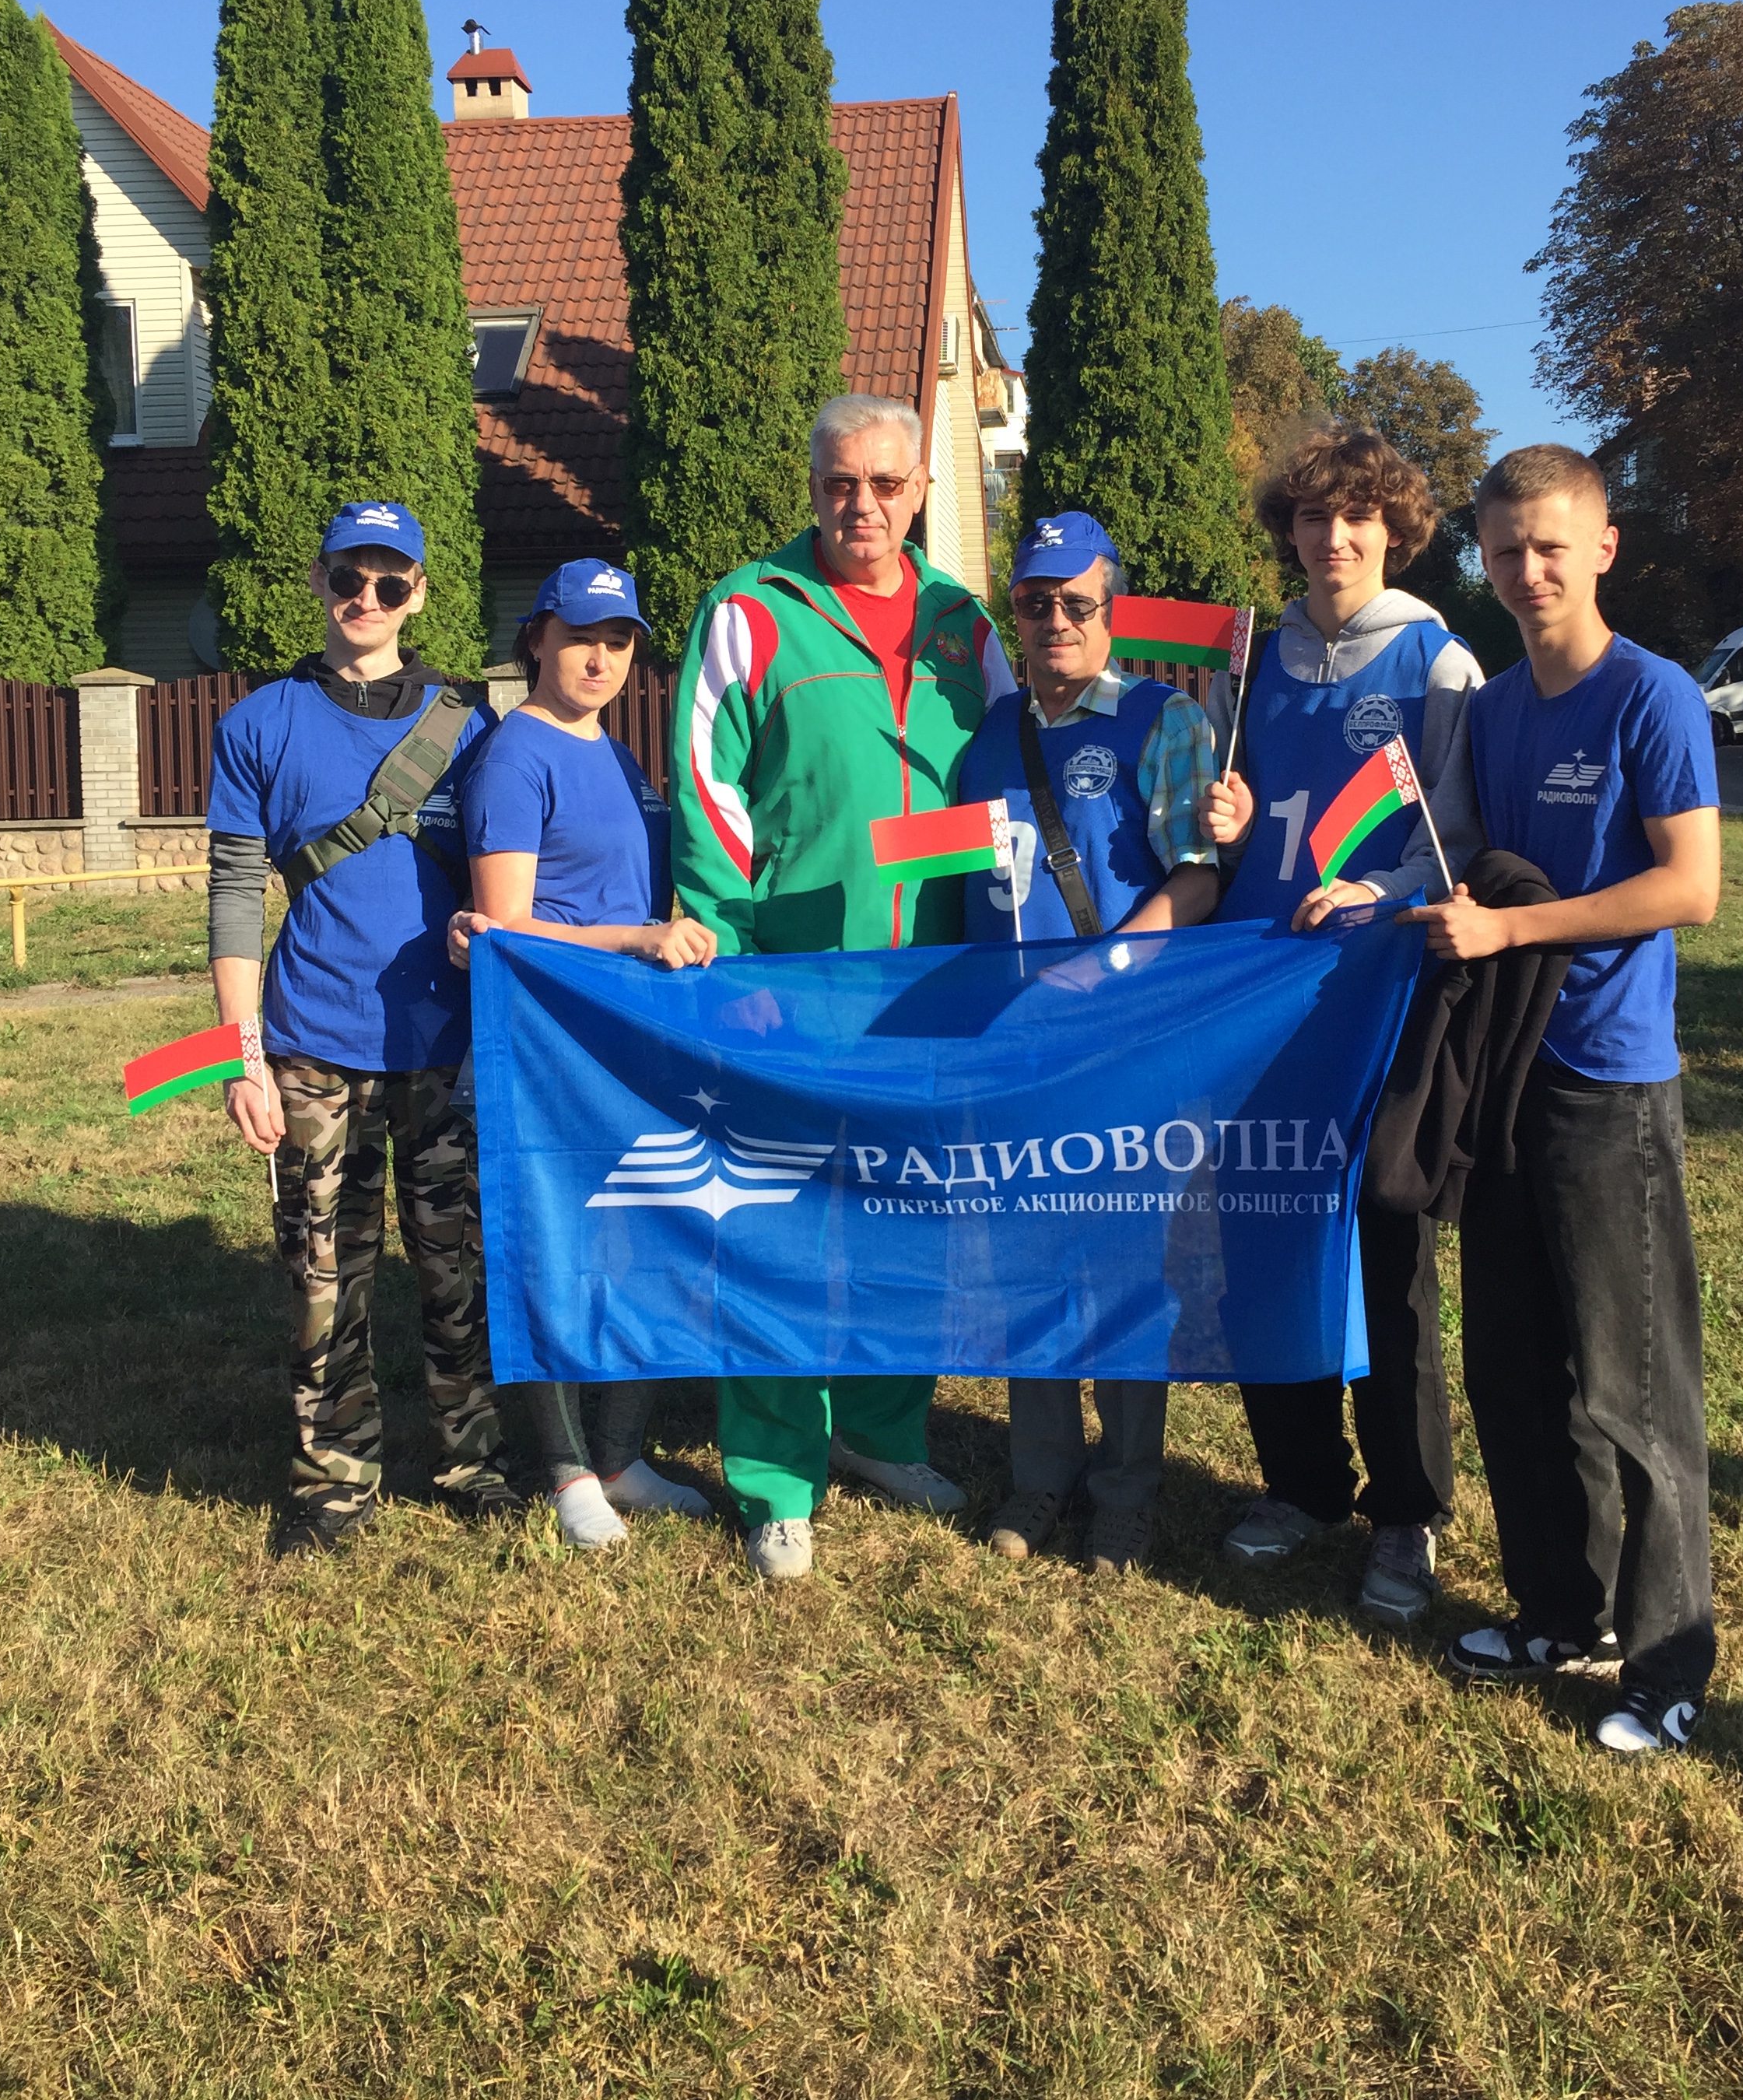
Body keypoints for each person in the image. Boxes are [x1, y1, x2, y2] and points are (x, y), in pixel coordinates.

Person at [1406, 443, 1720, 1757]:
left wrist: (1513, 929)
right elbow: (1475, 861)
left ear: (1601, 546)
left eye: (1547, 545)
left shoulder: (1652, 694)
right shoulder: (1490, 711)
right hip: (1506, 1070)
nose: (1526, 570)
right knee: (1513, 1367)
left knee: (1631, 1386)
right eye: (1502, 549)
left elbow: (1690, 885)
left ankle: (1667, 1662)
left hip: (1607, 1080)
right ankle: (1559, 1611)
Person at [671, 393, 1016, 1581]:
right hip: (791, 982)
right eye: (839, 484)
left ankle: (880, 1430)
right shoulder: (750, 610)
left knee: (907, 1219)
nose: (860, 505)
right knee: (779, 1229)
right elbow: (708, 789)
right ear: (813, 487)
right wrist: (734, 955)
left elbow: (1017, 768)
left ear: (920, 490)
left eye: (884, 484)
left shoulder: (967, 624)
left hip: (934, 985)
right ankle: (776, 1479)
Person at [1199, 426, 1482, 1625]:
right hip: (1260, 995)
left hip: (1375, 996)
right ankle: (1301, 1484)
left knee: (1384, 1251)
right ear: (1292, 531)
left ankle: (1406, 1511)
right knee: (1266, 1236)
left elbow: (1461, 838)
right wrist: (1223, 826)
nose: (1335, 538)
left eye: (1359, 516)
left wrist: (1383, 887)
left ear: (1395, 531)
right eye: (1315, 517)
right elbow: (1231, 824)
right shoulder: (1253, 657)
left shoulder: (1438, 661)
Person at [207, 501, 516, 1558]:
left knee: (456, 1265)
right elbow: (234, 895)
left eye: (390, 582)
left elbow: (518, 879)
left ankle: (473, 1461)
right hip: (310, 1045)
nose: (367, 599)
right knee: (323, 1274)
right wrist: (241, 1057)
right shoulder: (260, 723)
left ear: (419, 593)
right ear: (320, 580)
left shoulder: (473, 728)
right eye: (350, 577)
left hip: (449, 1045)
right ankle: (333, 1480)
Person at [957, 510, 1220, 1579]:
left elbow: (1198, 878)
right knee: (1027, 1263)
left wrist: (1103, 970)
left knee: (1123, 1268)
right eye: (1035, 601)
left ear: (1111, 608)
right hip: (1010, 1046)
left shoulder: (1165, 719)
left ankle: (1126, 1490)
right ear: (1014, 614)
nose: (1055, 619)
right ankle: (1041, 1472)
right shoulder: (987, 737)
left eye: (1076, 601)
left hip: (1120, 1043)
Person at [448, 559, 718, 1548]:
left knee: (636, 1244)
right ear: (537, 641)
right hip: (544, 1044)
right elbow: (505, 925)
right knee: (557, 1256)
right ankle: (568, 1474)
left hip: (617, 1039)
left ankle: (621, 1457)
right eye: (579, 638)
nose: (599, 658)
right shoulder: (516, 755)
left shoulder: (614, 750)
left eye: (618, 640)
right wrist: (639, 939)